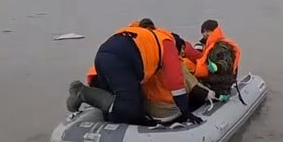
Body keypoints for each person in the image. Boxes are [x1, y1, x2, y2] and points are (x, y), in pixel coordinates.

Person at [69, 19, 203, 125]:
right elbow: (175, 81)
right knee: (130, 108)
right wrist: (185, 111)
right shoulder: (168, 44)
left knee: (121, 103)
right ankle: (82, 92)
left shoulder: (138, 34)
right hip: (122, 62)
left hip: (103, 58)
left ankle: (107, 121)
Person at [186, 20, 241, 101]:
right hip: (209, 80)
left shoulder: (222, 46)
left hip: (220, 83)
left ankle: (219, 96)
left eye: (208, 31)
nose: (205, 34)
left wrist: (216, 67)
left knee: (196, 92)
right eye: (203, 32)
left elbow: (226, 63)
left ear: (214, 31)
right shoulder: (204, 45)